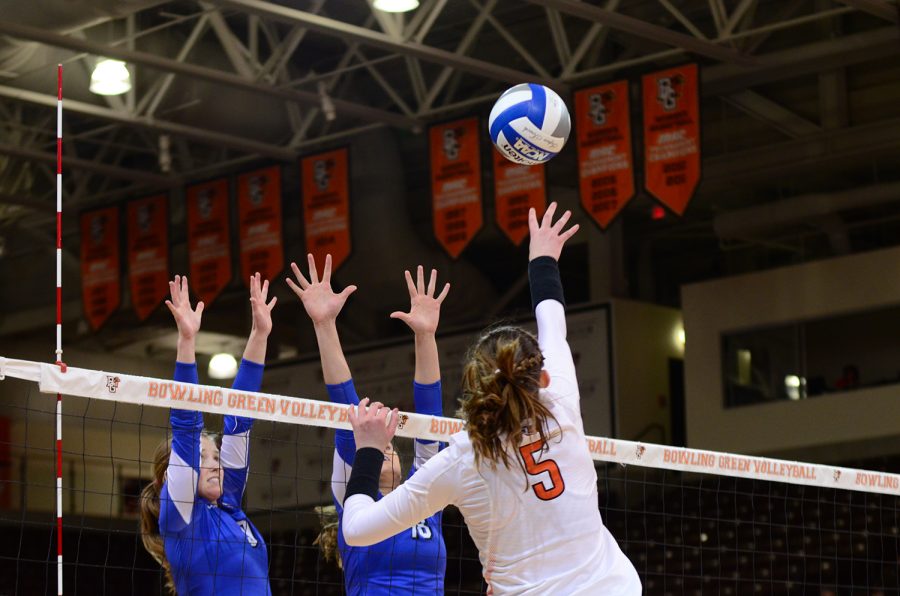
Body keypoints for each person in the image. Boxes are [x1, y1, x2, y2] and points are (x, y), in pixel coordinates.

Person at [339, 203, 642, 595]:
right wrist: (543, 259)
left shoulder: (462, 458)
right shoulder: (560, 402)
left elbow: (356, 530)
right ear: (543, 376)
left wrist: (368, 450)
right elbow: (554, 322)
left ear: (475, 389)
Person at [286, 254, 449, 594]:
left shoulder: (424, 497)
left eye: (390, 445)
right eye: (380, 446)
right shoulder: (356, 502)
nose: (387, 448)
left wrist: (426, 336)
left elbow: (431, 419)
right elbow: (345, 407)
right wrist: (324, 324)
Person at [140, 273, 277, 595]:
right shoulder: (181, 516)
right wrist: (186, 341)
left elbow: (240, 417)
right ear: (170, 477)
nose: (215, 463)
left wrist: (259, 334)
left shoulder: (229, 504)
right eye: (202, 458)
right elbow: (187, 426)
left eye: (215, 455)